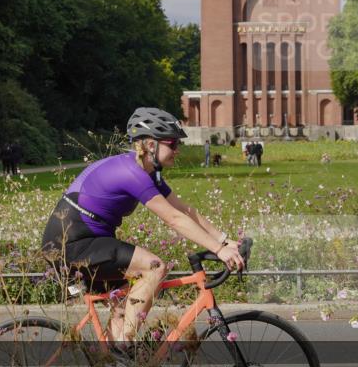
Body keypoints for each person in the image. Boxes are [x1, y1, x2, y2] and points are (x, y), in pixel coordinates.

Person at [42, 107, 244, 343]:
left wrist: (223, 240)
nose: (178, 150)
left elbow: (184, 209)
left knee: (122, 304)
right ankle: (128, 347)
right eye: (173, 143)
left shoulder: (147, 172)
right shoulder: (132, 173)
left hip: (88, 240)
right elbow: (173, 218)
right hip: (72, 243)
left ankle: (115, 365)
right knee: (154, 267)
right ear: (150, 145)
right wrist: (220, 251)